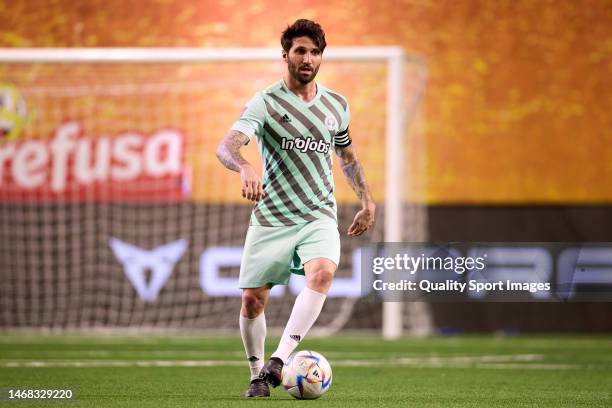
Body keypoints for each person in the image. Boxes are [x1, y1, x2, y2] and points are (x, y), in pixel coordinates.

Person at [216, 18, 375, 398]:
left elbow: (347, 156)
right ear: (285, 54)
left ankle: (281, 357)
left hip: (318, 213)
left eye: (315, 52)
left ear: (321, 57)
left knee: (321, 275)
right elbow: (226, 146)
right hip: (272, 217)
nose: (308, 58)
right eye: (300, 50)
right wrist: (246, 165)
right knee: (253, 300)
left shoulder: (337, 105)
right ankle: (257, 375)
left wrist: (366, 200)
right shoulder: (266, 102)